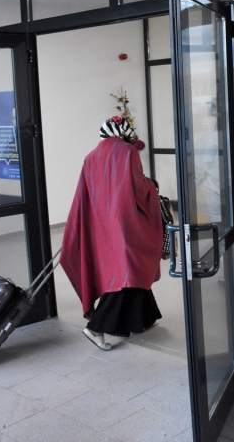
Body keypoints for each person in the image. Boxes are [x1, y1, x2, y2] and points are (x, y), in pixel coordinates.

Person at [60, 116, 163, 350]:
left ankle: (144, 317)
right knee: (128, 272)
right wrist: (152, 185)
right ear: (123, 133)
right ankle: (96, 327)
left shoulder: (91, 156)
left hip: (102, 224)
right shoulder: (127, 151)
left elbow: (86, 194)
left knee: (129, 268)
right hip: (125, 223)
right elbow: (138, 187)